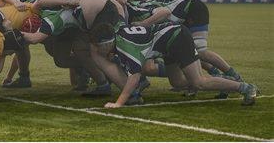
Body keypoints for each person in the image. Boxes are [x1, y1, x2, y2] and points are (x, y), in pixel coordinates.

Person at [90, 22, 258, 108]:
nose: (98, 51)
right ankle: (221, 81)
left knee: (199, 82)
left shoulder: (123, 45)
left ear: (106, 43)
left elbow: (134, 77)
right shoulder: (118, 36)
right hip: (169, 41)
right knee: (177, 82)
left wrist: (118, 103)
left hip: (176, 38)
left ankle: (244, 87)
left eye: (98, 47)